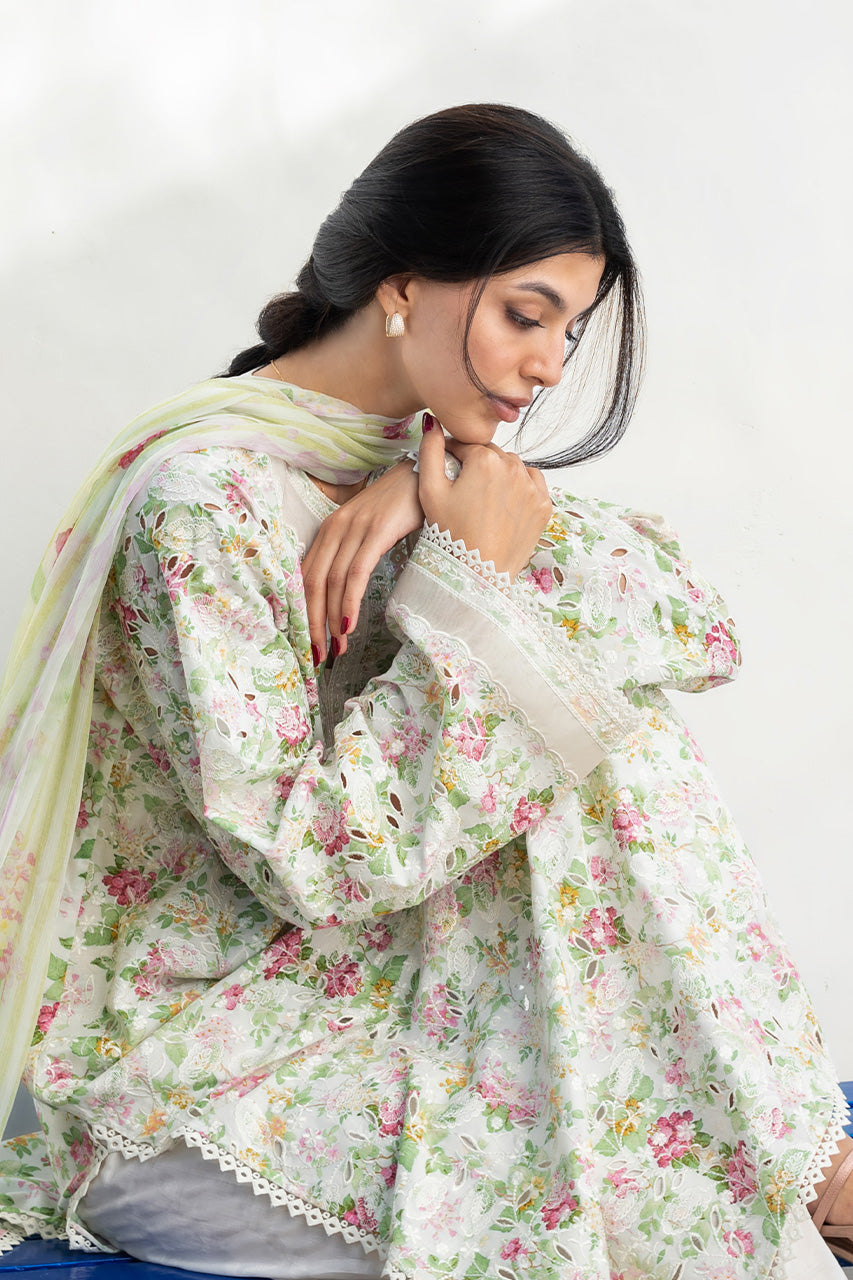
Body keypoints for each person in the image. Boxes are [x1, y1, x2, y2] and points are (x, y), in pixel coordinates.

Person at [0, 103, 850, 1280]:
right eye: (524, 315)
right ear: (402, 288)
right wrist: (468, 595)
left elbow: (686, 620)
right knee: (601, 1165)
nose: (549, 366)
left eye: (568, 330)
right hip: (201, 1057)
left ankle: (812, 1167)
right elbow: (311, 861)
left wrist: (441, 493)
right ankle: (815, 1177)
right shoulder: (201, 504)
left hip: (366, 989)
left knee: (593, 693)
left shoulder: (416, 471)